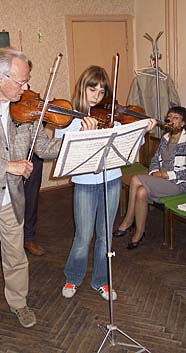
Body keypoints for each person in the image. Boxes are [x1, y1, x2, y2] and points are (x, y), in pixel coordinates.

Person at [0, 46, 97, 350]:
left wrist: (79, 135)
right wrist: (7, 165)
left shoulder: (27, 109)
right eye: (22, 82)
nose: (27, 88)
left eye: (27, 81)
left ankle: (19, 303)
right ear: (0, 78)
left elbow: (44, 148)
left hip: (10, 199)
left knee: (16, 258)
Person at [55, 65, 156, 301]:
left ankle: (101, 280)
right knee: (83, 235)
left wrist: (143, 130)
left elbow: (129, 143)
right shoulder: (69, 117)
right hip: (84, 183)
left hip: (111, 180)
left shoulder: (112, 117)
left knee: (105, 235)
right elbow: (62, 149)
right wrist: (82, 133)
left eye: (102, 91)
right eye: (93, 90)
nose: (97, 96)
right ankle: (73, 276)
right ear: (83, 88)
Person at [113, 106, 186, 249]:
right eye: (169, 117)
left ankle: (128, 221)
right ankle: (139, 233)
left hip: (178, 183)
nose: (171, 120)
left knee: (135, 179)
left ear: (183, 123)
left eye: (176, 118)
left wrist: (167, 174)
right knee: (141, 192)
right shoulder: (165, 138)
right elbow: (154, 159)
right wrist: (153, 172)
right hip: (160, 179)